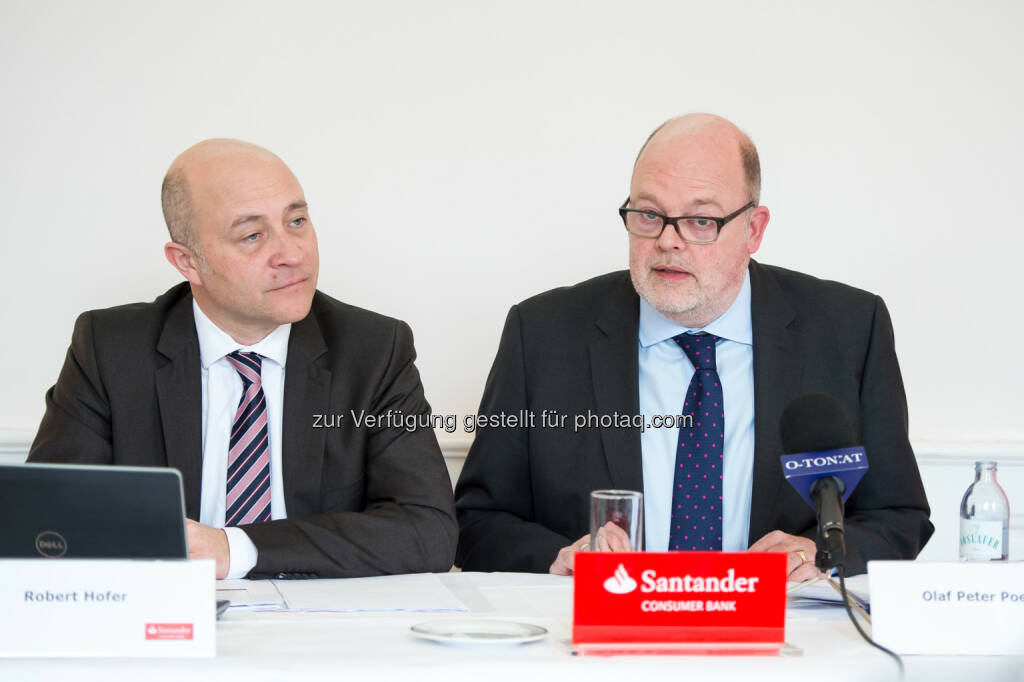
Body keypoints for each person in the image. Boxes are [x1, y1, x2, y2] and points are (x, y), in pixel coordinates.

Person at [454, 114, 933, 580]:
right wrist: (559, 556)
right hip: (598, 645)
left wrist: (817, 551)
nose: (667, 241)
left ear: (754, 229)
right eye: (648, 215)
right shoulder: (542, 333)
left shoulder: (849, 330)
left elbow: (899, 517)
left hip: (783, 646)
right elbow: (476, 521)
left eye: (701, 221)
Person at [29, 139, 457, 579]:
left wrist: (235, 549)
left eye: (297, 220)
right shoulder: (110, 348)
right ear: (187, 262)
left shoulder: (374, 349)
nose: (292, 254)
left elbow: (427, 532)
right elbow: (50, 519)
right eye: (252, 235)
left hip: (321, 625)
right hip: (164, 621)